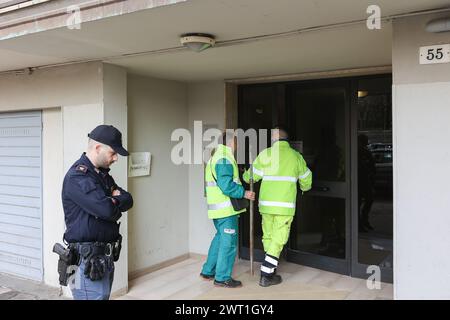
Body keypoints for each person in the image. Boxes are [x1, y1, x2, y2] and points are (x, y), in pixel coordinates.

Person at [61, 125, 133, 300]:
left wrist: (111, 200)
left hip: (102, 259)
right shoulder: (78, 177)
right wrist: (113, 200)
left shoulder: (102, 176)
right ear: (98, 147)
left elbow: (128, 199)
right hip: (85, 261)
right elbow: (107, 210)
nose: (116, 158)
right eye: (113, 153)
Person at [243, 126, 312, 287]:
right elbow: (307, 180)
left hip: (266, 206)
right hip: (284, 206)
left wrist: (246, 171)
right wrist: (303, 188)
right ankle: (266, 274)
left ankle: (271, 271)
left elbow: (249, 178)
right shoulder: (296, 157)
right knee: (279, 238)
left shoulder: (265, 154)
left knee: (268, 237)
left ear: (273, 140)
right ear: (287, 141)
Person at [201, 131, 255, 288]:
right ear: (231, 142)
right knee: (229, 244)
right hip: (226, 211)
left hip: (217, 210)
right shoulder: (224, 159)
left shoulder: (215, 157)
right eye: (236, 142)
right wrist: (244, 192)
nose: (237, 145)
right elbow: (226, 186)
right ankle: (222, 278)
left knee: (219, 239)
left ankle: (208, 271)